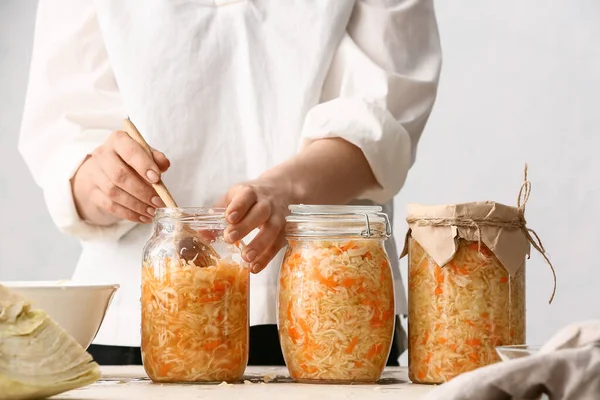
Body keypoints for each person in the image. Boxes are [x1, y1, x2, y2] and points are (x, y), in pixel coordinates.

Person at [19, 0, 442, 366]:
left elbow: (389, 115)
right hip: (138, 317)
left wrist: (286, 190)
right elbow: (62, 136)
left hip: (331, 306)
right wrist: (102, 180)